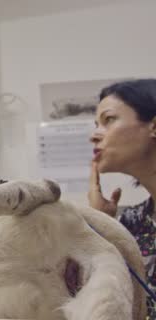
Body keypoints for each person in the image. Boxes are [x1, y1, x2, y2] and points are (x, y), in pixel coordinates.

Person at [89, 78, 156, 319]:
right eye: (96, 124)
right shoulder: (132, 221)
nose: (94, 136)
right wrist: (101, 224)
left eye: (109, 120)